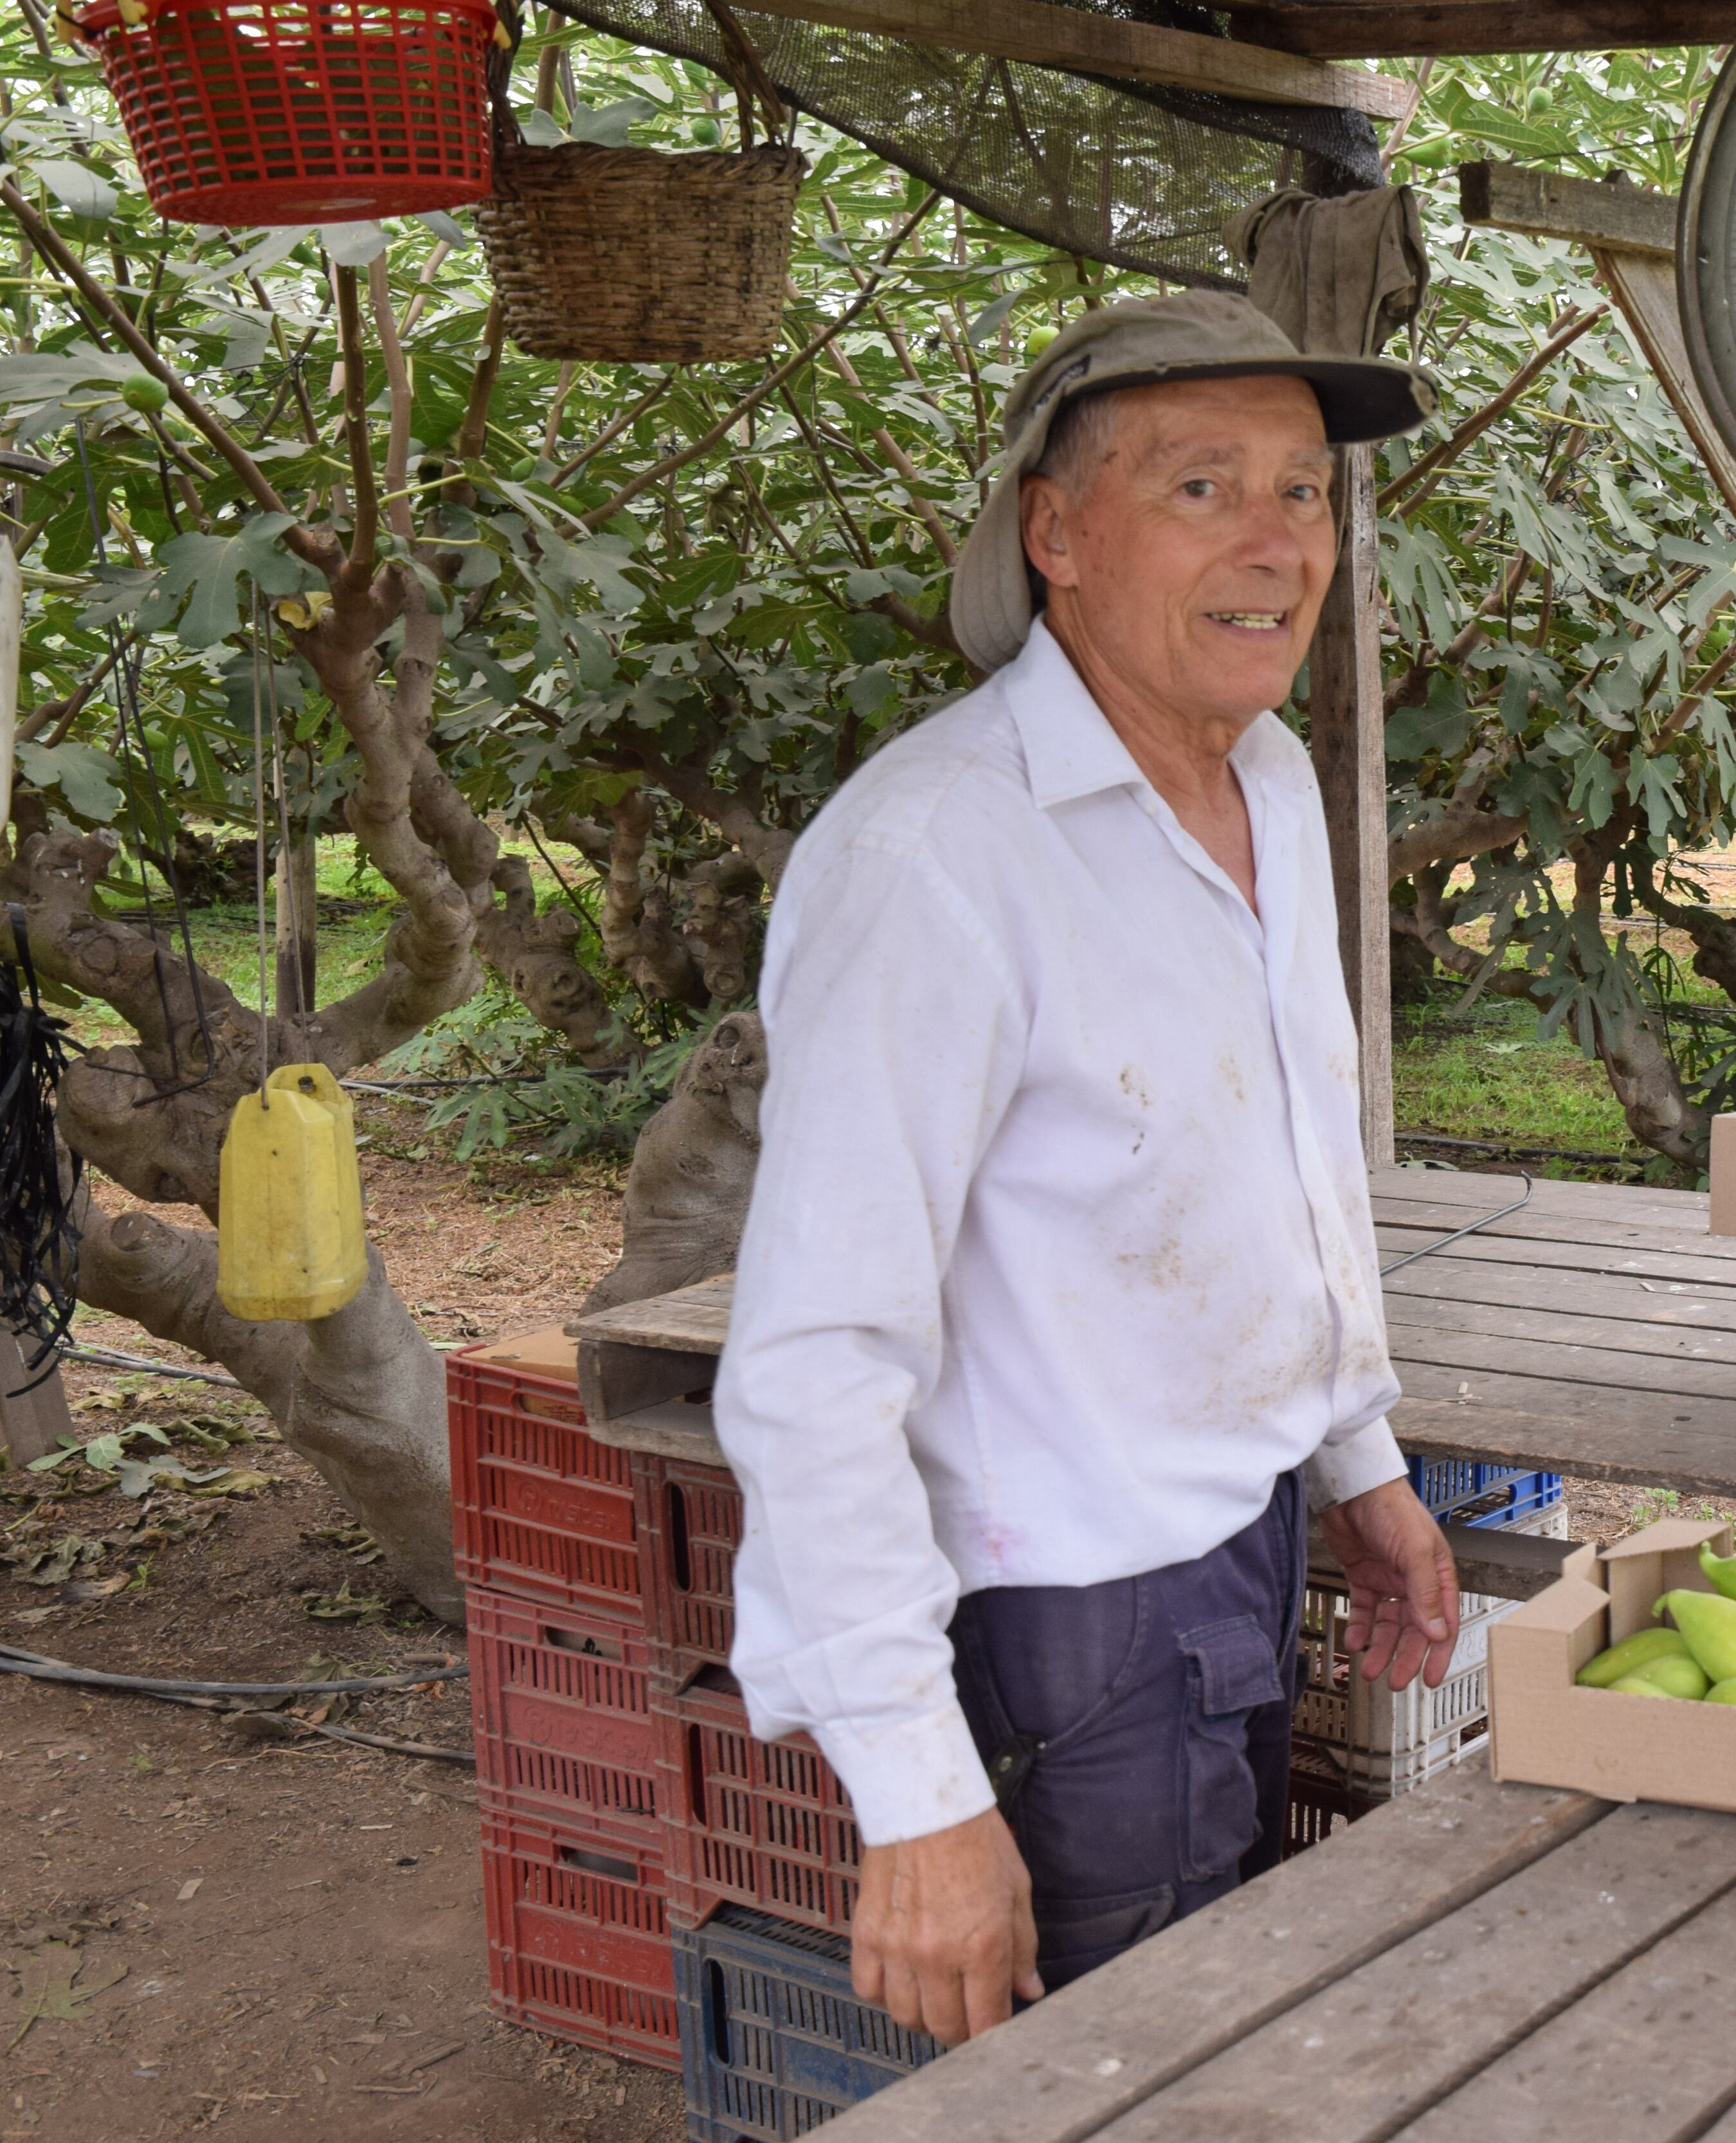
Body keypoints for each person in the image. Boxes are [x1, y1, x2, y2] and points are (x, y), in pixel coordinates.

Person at [712, 290, 1460, 2047]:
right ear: (1056, 534)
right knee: (1114, 2074)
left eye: (1307, 491)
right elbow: (815, 1362)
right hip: (1064, 1621)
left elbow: (1279, 1162)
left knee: (1201, 2048)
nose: (1281, 540)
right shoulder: (936, 858)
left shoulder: (1265, 775)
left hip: (1239, 1547)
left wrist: (1358, 1456)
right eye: (1205, 487)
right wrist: (919, 1796)